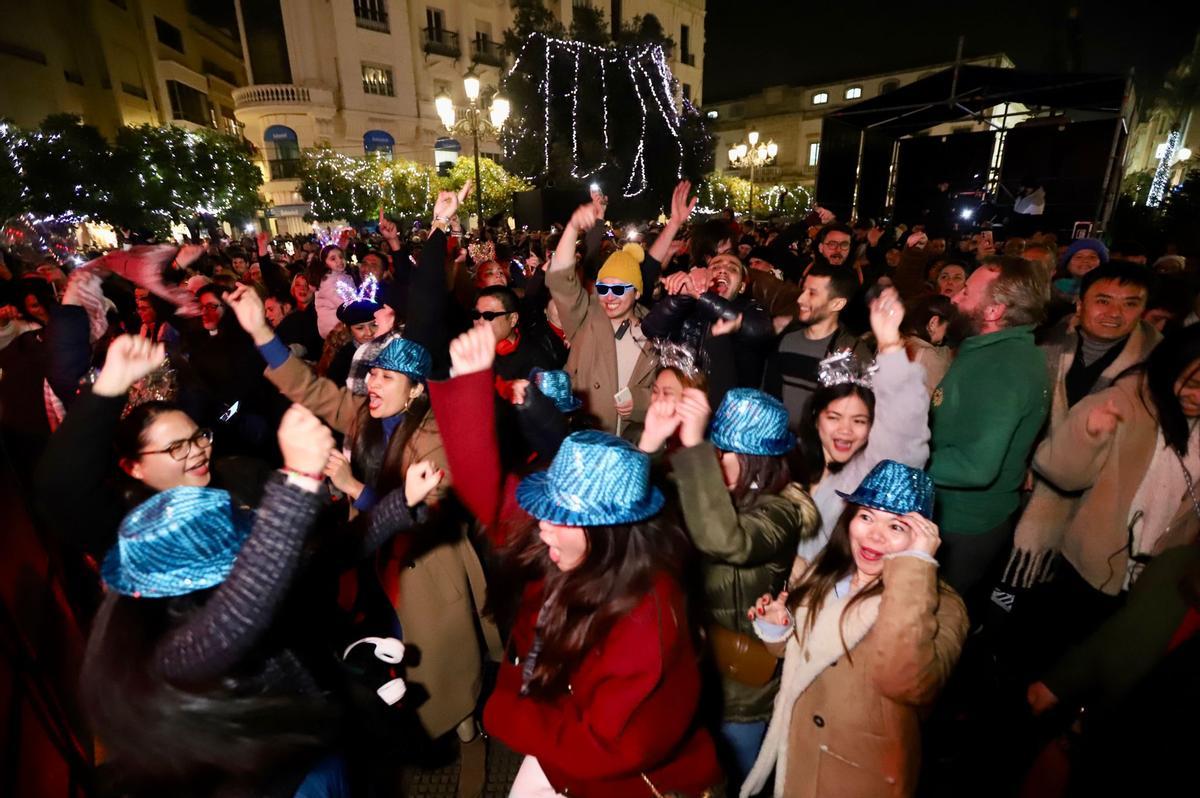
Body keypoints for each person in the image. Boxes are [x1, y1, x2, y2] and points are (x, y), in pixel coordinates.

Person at [428, 326, 723, 798]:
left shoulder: (644, 617)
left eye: (561, 517)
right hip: (557, 735)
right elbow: (486, 494)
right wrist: (469, 383)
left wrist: (506, 711)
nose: (543, 524)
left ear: (607, 536)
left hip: (611, 780)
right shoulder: (570, 541)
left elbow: (605, 747)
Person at [79, 404, 373, 797]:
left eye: (198, 436)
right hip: (268, 776)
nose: (197, 451)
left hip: (309, 716)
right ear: (134, 467)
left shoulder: (238, 477)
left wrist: (393, 509)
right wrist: (298, 483)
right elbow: (226, 625)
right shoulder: (142, 552)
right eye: (177, 448)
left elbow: (312, 559)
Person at [743, 460, 967, 798]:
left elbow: (905, 682)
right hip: (798, 750)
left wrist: (915, 567)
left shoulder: (943, 605)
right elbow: (808, 657)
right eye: (866, 516)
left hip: (857, 775)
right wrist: (779, 626)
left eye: (896, 526)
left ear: (924, 538)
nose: (874, 534)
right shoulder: (830, 569)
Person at [643, 386, 818, 789]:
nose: (715, 458)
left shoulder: (782, 511)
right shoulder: (710, 487)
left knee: (734, 781)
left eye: (724, 452)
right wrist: (652, 440)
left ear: (756, 461)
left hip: (740, 693)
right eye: (713, 450)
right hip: (687, 672)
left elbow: (726, 541)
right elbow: (631, 502)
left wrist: (693, 447)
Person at [1009, 325, 1200, 658]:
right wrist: (1088, 435)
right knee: (1051, 650)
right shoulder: (1121, 401)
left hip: (1155, 576)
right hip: (1090, 566)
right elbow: (1056, 471)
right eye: (1194, 383)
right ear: (1171, 365)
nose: (1198, 396)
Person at [1005, 263, 1159, 592]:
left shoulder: (1156, 371)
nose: (1115, 313)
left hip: (1099, 510)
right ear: (1080, 303)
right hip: (1026, 488)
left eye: (1130, 303)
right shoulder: (1045, 343)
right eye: (1103, 300)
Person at [927, 257, 1049, 607]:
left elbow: (975, 466)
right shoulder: (993, 351)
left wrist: (902, 459)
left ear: (994, 311)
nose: (955, 298)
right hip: (965, 516)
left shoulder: (1002, 368)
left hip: (961, 525)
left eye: (966, 292)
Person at [795, 287, 931, 559]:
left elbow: (902, 432)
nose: (845, 430)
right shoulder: (791, 462)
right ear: (815, 417)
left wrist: (890, 345)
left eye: (859, 420)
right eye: (834, 417)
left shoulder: (867, 474)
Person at [547, 202, 656, 438]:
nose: (609, 297)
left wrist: (639, 401)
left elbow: (668, 390)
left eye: (618, 290)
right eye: (603, 288)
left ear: (636, 292)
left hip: (630, 447)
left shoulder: (655, 329)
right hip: (583, 440)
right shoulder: (586, 316)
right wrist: (573, 227)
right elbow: (560, 280)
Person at [642, 253, 773, 406]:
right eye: (715, 267)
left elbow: (757, 330)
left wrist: (700, 294)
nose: (723, 270)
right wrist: (682, 296)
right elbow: (651, 329)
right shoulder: (687, 308)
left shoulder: (751, 310)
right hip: (682, 409)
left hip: (730, 416)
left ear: (742, 286)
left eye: (732, 268)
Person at [762, 262, 870, 429]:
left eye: (812, 293)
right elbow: (767, 398)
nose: (800, 299)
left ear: (837, 304)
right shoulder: (786, 341)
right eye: (803, 290)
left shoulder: (851, 353)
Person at [900, 294, 955, 395]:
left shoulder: (897, 342)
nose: (948, 332)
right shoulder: (928, 355)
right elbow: (943, 400)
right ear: (933, 323)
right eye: (948, 326)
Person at [311, 244, 356, 338]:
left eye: (341, 256)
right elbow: (342, 304)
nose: (339, 260)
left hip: (344, 324)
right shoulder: (328, 281)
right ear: (324, 263)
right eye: (333, 259)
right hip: (334, 329)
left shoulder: (343, 276)